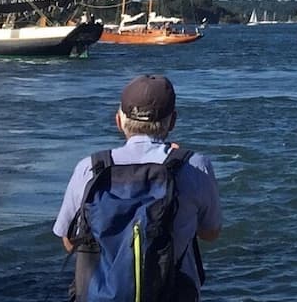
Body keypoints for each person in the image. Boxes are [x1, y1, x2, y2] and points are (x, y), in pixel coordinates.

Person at [54, 75, 222, 301]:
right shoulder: (195, 166)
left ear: (119, 121)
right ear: (172, 121)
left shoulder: (90, 168)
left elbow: (69, 241)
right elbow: (211, 232)